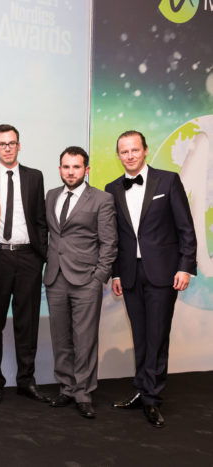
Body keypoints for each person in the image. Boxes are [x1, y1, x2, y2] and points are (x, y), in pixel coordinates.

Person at [105, 130, 196, 428]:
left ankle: (153, 399)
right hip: (130, 274)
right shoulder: (112, 188)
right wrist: (116, 272)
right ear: (118, 155)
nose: (130, 155)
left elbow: (185, 228)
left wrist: (185, 267)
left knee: (157, 336)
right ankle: (142, 390)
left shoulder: (167, 181)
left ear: (145, 150)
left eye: (134, 149)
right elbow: (116, 237)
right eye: (124, 151)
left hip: (163, 272)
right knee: (141, 336)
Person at [44, 146, 117, 419]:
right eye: (66, 167)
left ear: (86, 169)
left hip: (86, 280)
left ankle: (83, 393)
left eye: (76, 167)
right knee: (61, 338)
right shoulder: (51, 195)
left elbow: (109, 242)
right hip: (55, 278)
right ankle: (66, 388)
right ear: (60, 169)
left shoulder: (101, 199)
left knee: (84, 340)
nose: (70, 172)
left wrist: (99, 276)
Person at [0, 124, 49, 405]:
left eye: (12, 143)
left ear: (19, 145)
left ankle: (26, 380)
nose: (7, 148)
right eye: (2, 144)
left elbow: (40, 219)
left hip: (28, 259)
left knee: (28, 323)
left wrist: (41, 255)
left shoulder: (35, 177)